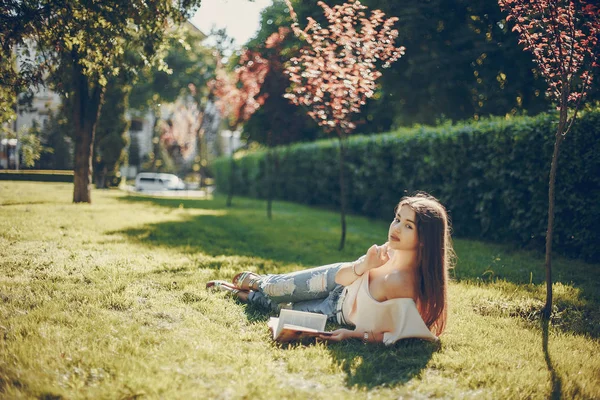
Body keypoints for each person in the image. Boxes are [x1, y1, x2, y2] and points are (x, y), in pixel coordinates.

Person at [206, 192, 454, 345]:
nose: (396, 228)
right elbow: (344, 275)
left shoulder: (403, 283)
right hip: (336, 279)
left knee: (275, 308)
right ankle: (258, 281)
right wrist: (365, 264)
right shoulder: (384, 252)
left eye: (408, 225)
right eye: (397, 218)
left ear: (425, 239)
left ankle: (239, 293)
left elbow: (395, 332)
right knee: (275, 288)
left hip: (336, 312)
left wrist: (353, 335)